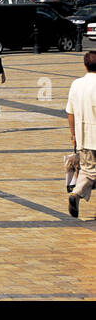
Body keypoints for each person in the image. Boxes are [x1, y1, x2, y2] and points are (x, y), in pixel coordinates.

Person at [66, 51, 96, 218]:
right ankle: (76, 193)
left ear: (85, 65)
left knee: (87, 169)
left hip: (83, 134)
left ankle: (76, 195)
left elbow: (70, 112)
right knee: (91, 172)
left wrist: (73, 135)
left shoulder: (76, 84)